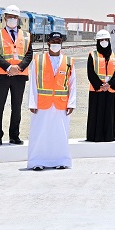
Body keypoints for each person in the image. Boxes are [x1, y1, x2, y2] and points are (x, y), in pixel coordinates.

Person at [27, 32, 76, 171]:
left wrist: (71, 103)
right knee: (39, 133)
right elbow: (33, 83)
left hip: (61, 104)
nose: (56, 43)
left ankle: (61, 160)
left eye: (58, 41)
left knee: (60, 133)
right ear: (48, 43)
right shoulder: (38, 60)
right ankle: (36, 161)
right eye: (53, 41)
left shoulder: (68, 61)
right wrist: (32, 102)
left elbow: (72, 84)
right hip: (42, 104)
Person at [0, 4, 33, 146]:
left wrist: (18, 68)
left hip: (19, 77)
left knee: (17, 107)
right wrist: (9, 67)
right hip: (1, 76)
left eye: (15, 17)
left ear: (18, 19)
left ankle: (14, 136)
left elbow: (29, 55)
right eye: (9, 17)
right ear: (4, 18)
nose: (12, 19)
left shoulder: (27, 36)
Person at [86, 29, 115, 142]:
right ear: (97, 41)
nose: (104, 42)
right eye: (101, 40)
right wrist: (100, 85)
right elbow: (90, 72)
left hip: (110, 90)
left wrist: (109, 85)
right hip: (96, 90)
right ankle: (94, 137)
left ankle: (108, 137)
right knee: (95, 114)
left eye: (106, 39)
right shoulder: (92, 55)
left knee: (109, 114)